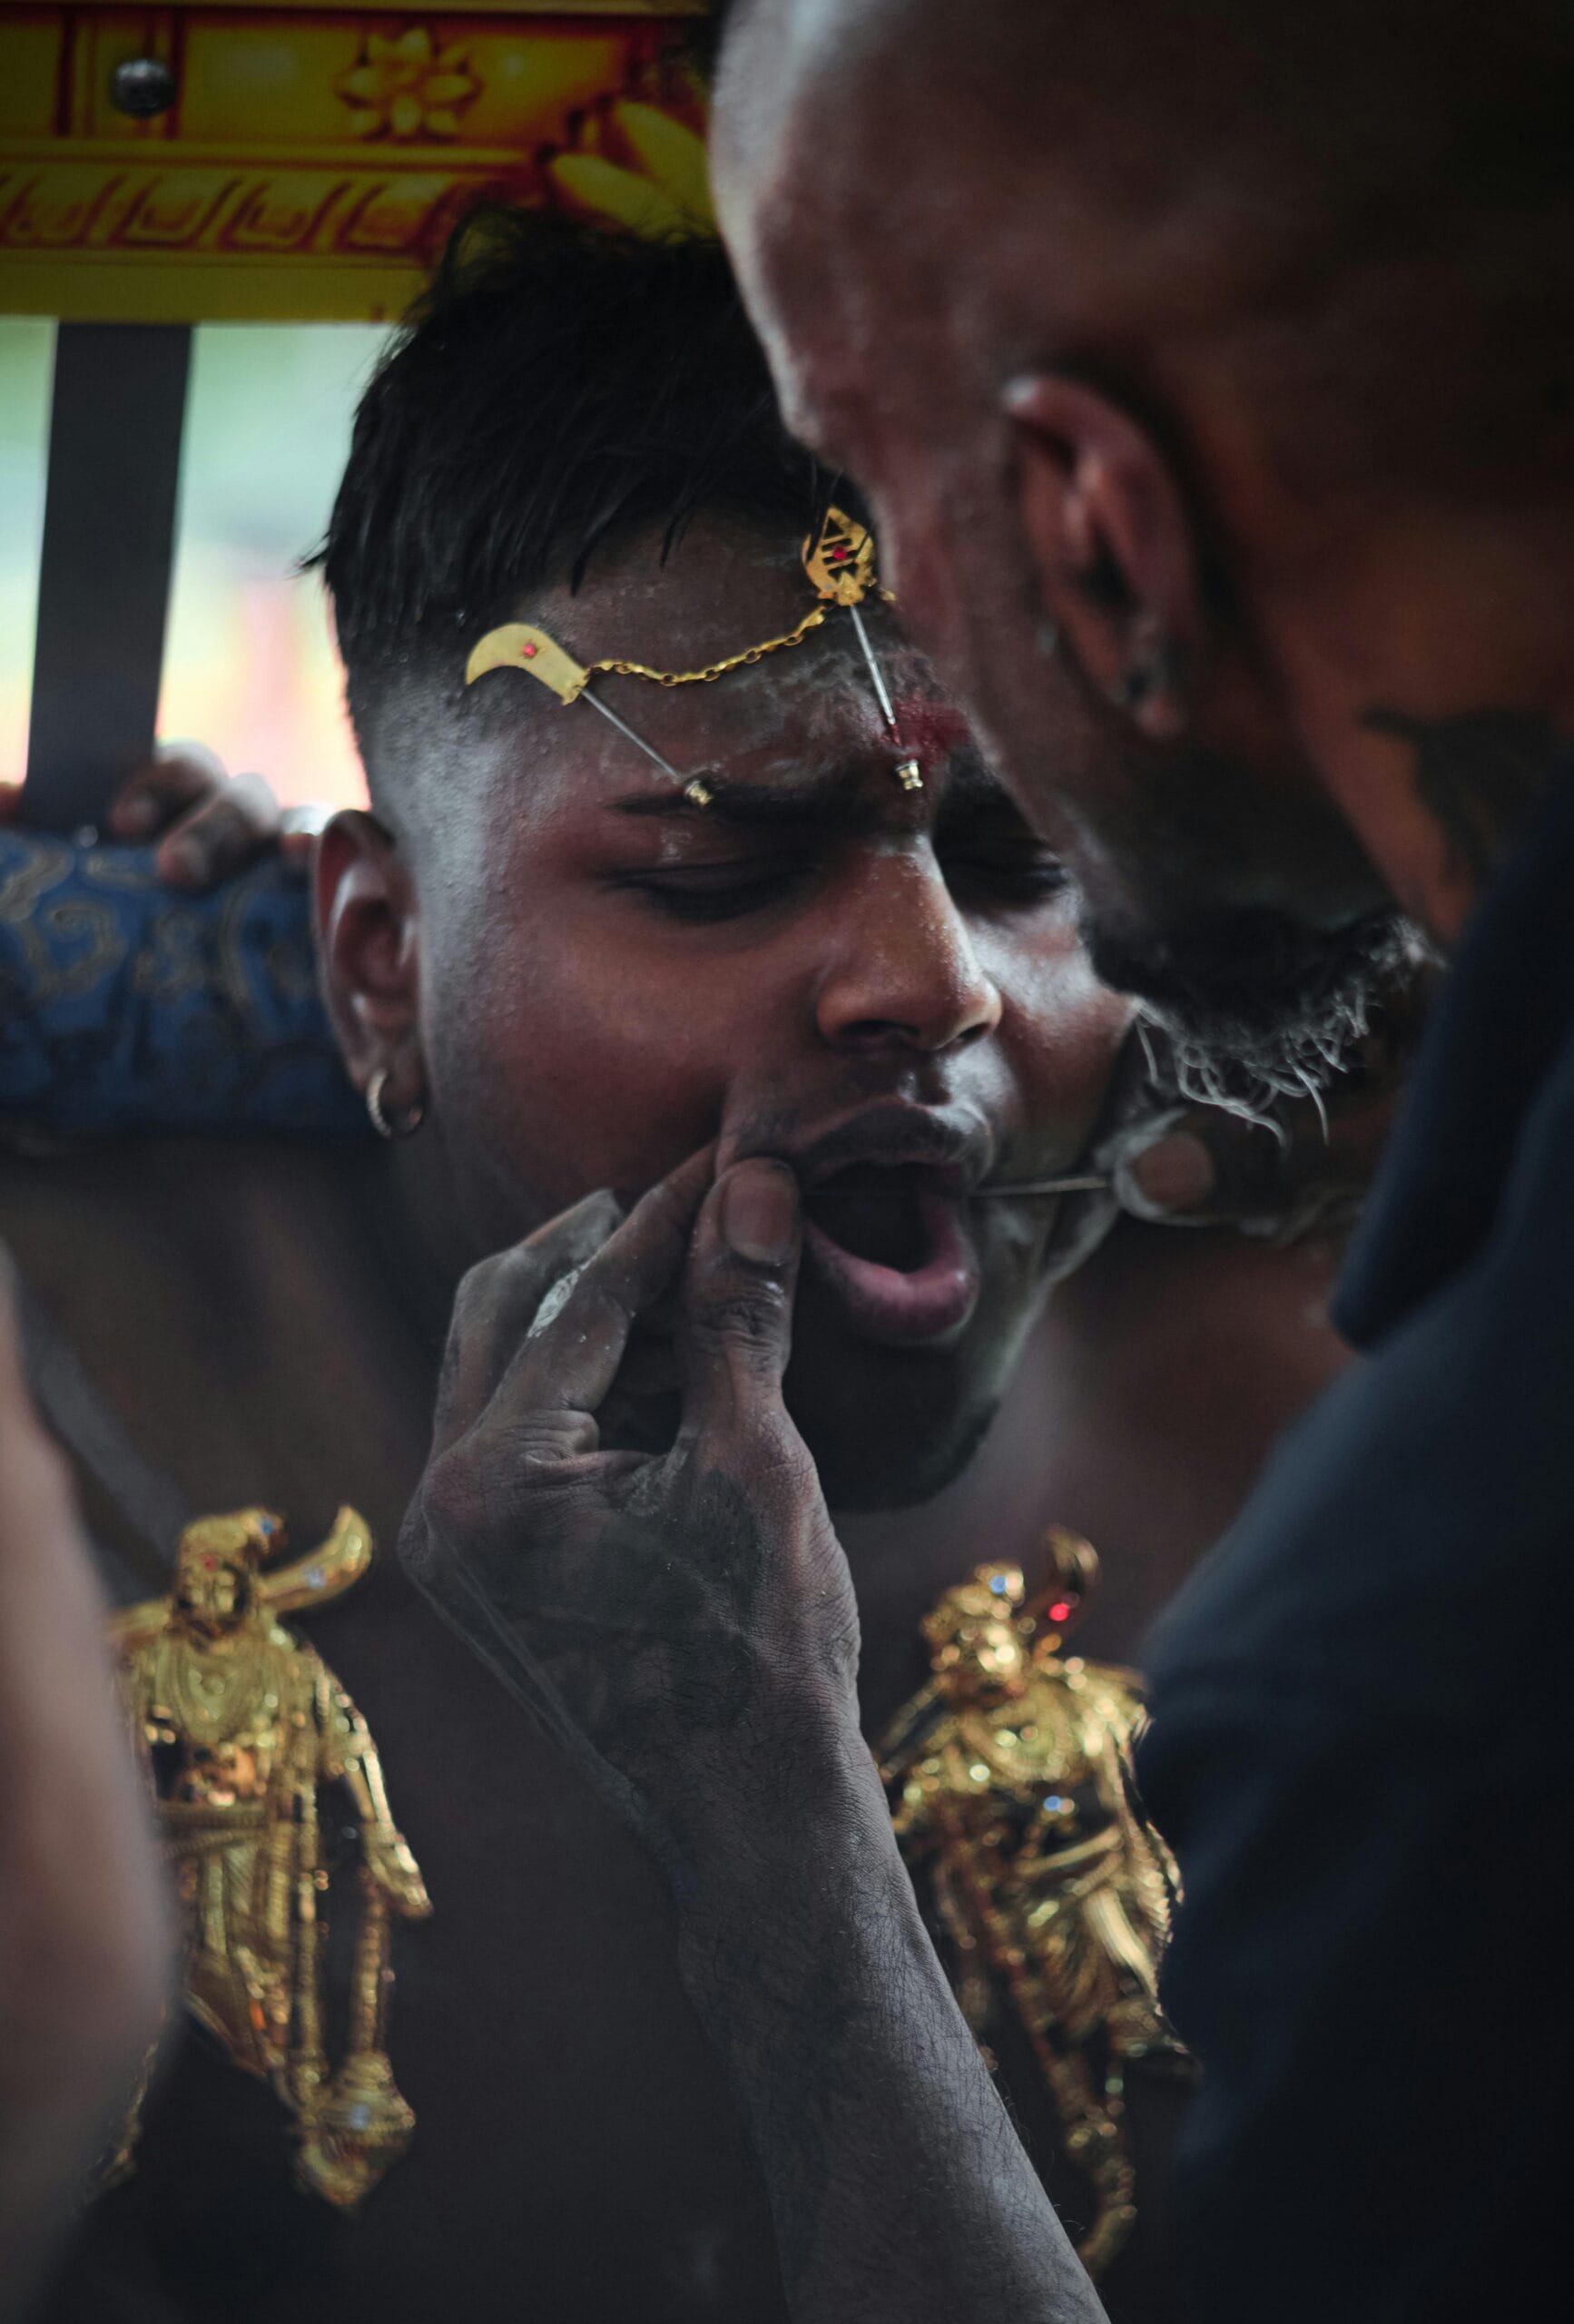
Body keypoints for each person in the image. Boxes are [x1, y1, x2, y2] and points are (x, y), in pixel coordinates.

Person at [7, 213, 1168, 2324]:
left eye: (1023, 864)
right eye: (716, 869)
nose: (935, 983)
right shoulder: (67, 1407)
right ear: (382, 952)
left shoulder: (1357, 1382)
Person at [706, 1, 1574, 2315]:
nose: (931, 979)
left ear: (1102, 526)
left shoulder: (1425, 1668)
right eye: (720, 861)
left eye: (887, 515)